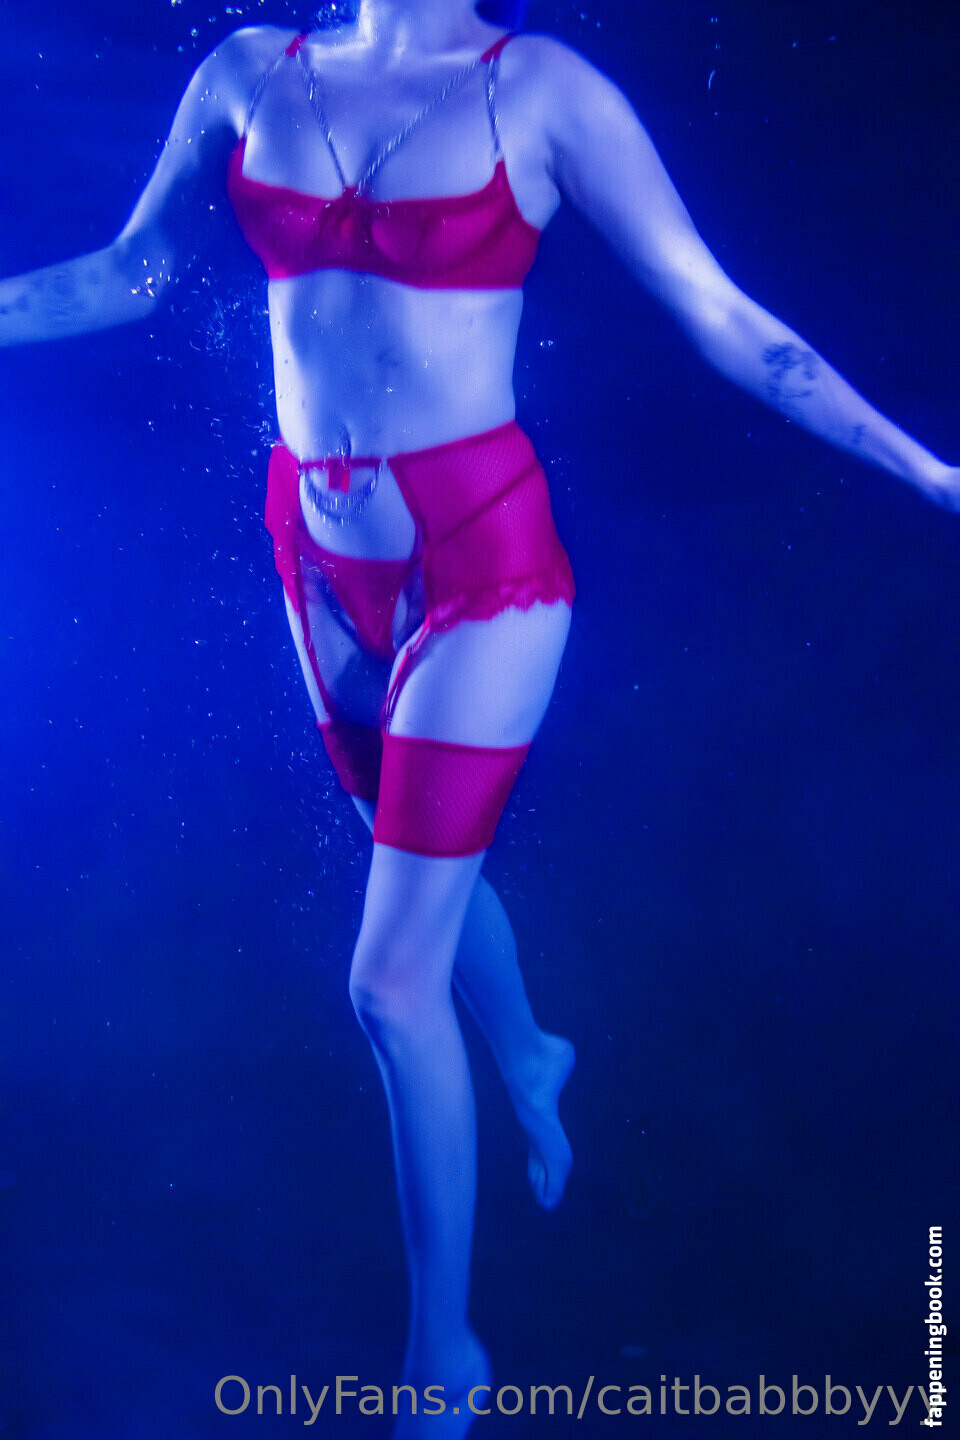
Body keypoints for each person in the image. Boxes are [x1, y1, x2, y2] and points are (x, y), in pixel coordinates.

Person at [2, 1, 957, 1433]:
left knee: (389, 981)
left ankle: (441, 1356)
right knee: (423, 882)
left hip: (480, 556)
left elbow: (721, 317)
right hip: (314, 550)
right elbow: (136, 270)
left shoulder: (545, 93)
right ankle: (526, 1051)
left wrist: (935, 476)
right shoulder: (247, 72)